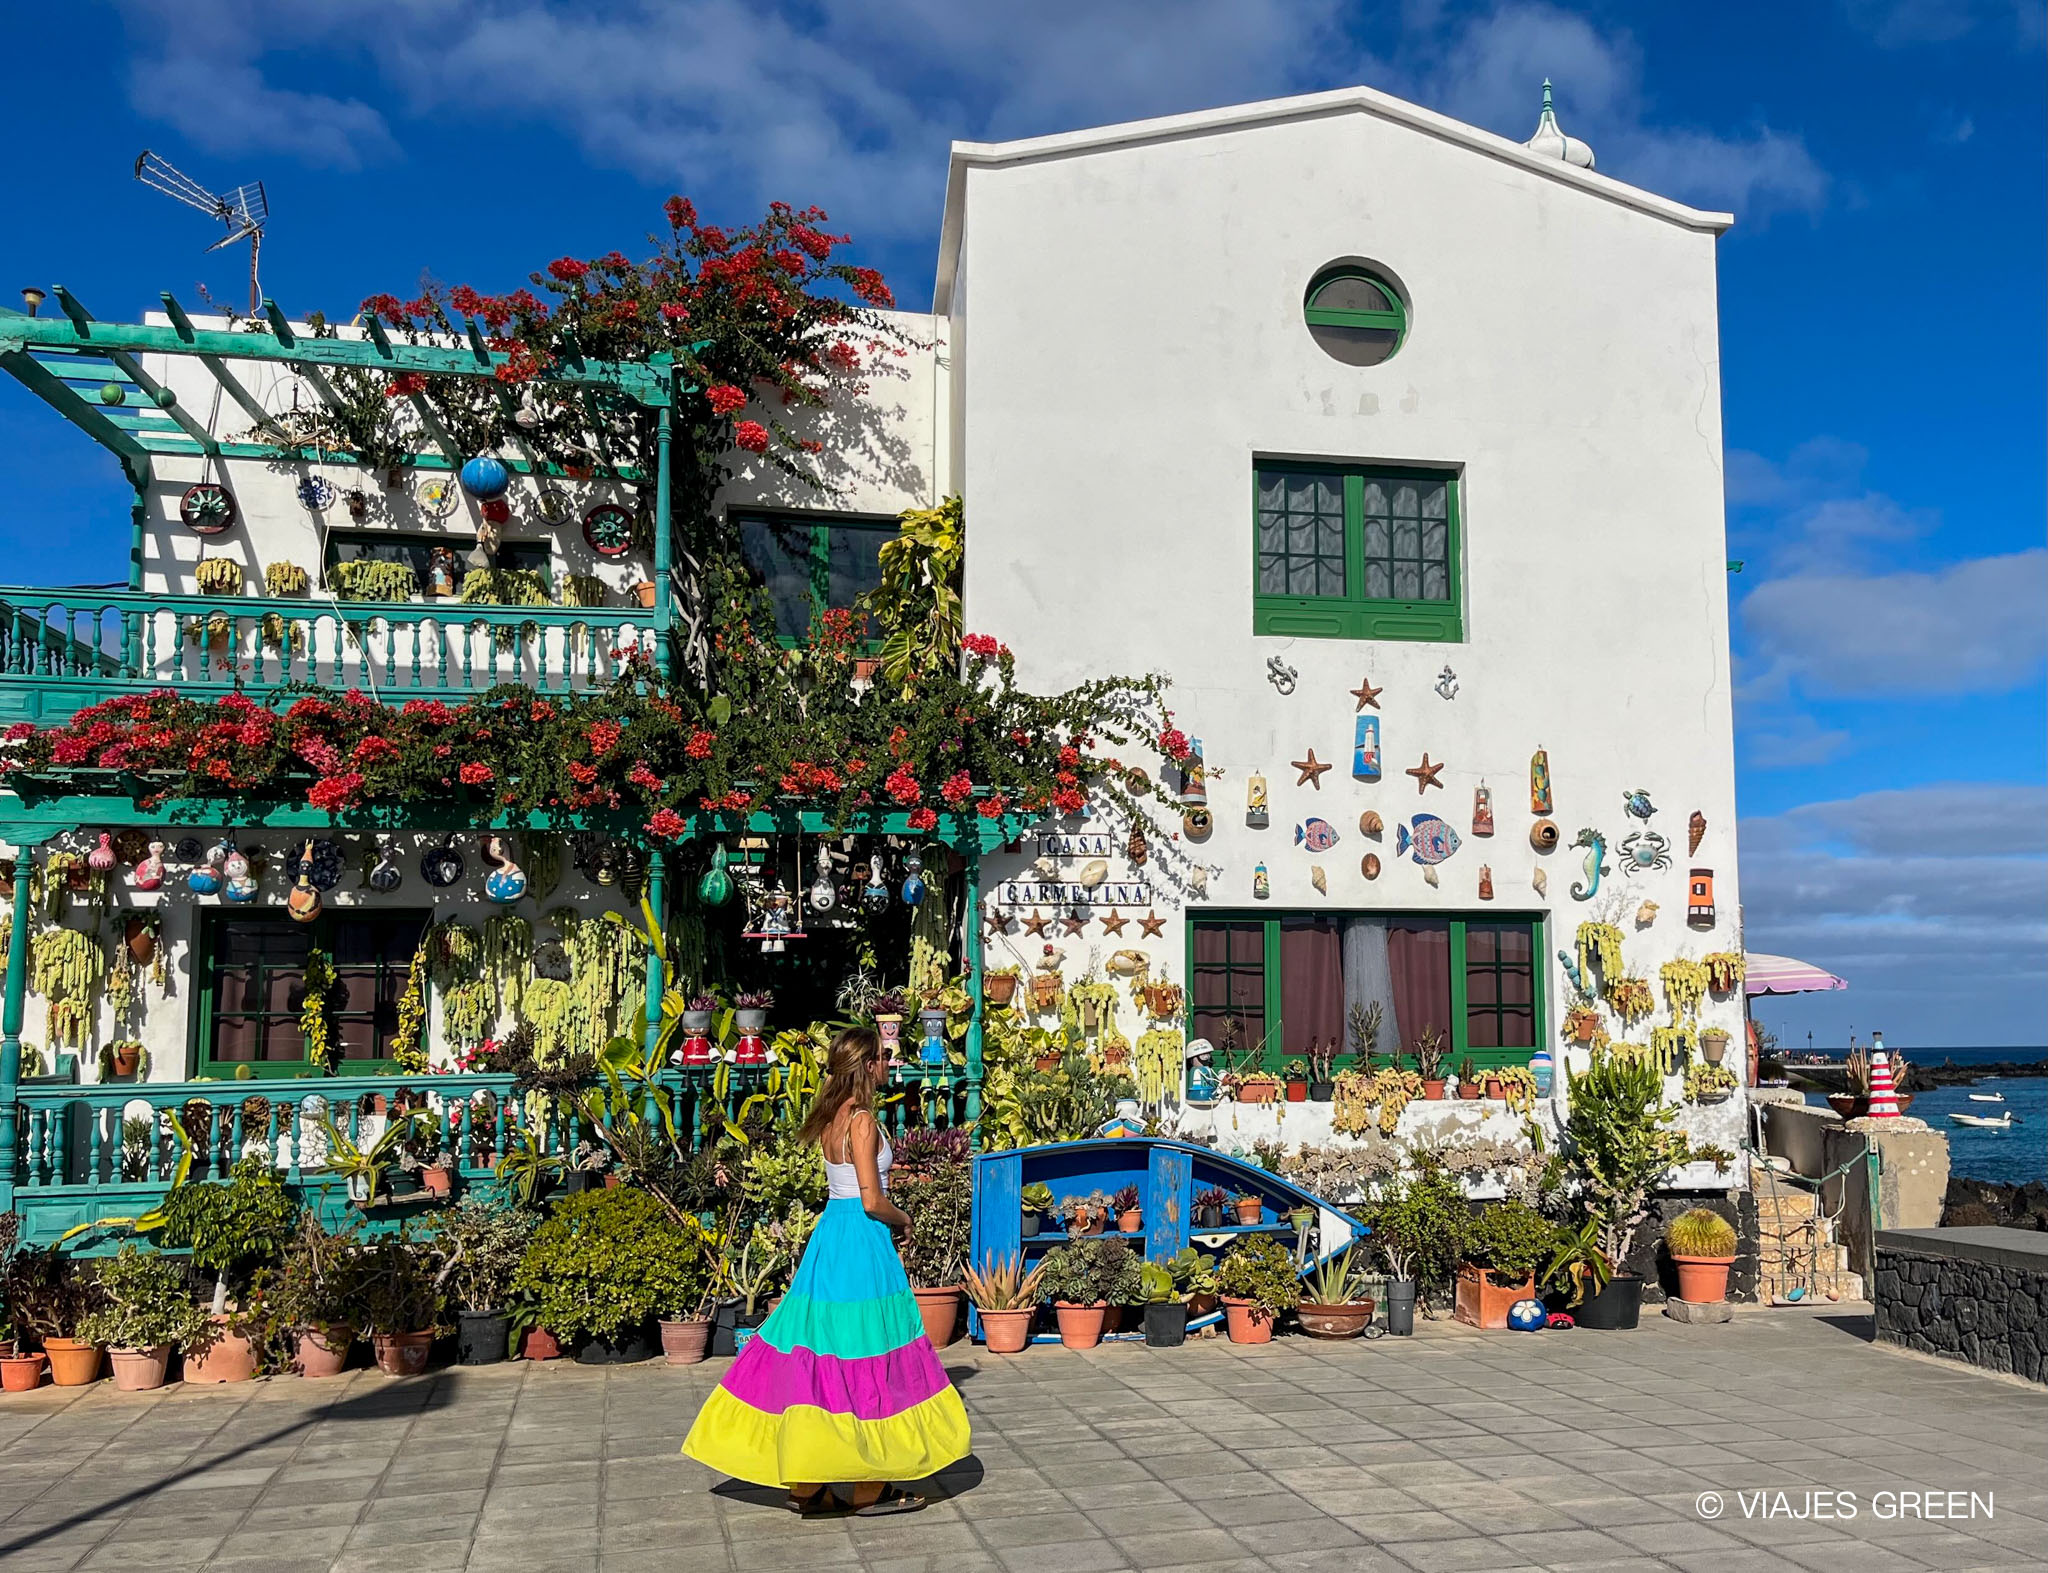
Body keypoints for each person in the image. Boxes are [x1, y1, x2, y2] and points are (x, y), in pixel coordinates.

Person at [682, 1026, 971, 1516]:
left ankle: (808, 1485)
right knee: (869, 1350)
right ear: (867, 1066)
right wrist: (905, 1219)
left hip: (832, 1236)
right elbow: (872, 1199)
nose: (888, 1065)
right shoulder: (862, 1121)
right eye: (883, 1058)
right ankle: (869, 1486)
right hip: (862, 1239)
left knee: (824, 1351)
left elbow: (849, 1186)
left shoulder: (830, 1119)